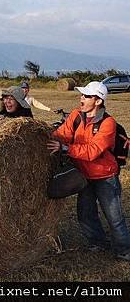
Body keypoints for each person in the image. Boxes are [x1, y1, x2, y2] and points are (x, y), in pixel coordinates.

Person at [47, 82, 130, 261]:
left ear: (98, 101)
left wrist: (66, 149)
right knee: (85, 213)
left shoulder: (108, 123)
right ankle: (98, 243)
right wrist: (43, 136)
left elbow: (93, 151)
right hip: (83, 175)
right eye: (82, 95)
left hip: (104, 176)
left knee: (114, 218)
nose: (81, 98)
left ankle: (124, 251)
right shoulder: (77, 115)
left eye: (86, 96)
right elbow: (63, 134)